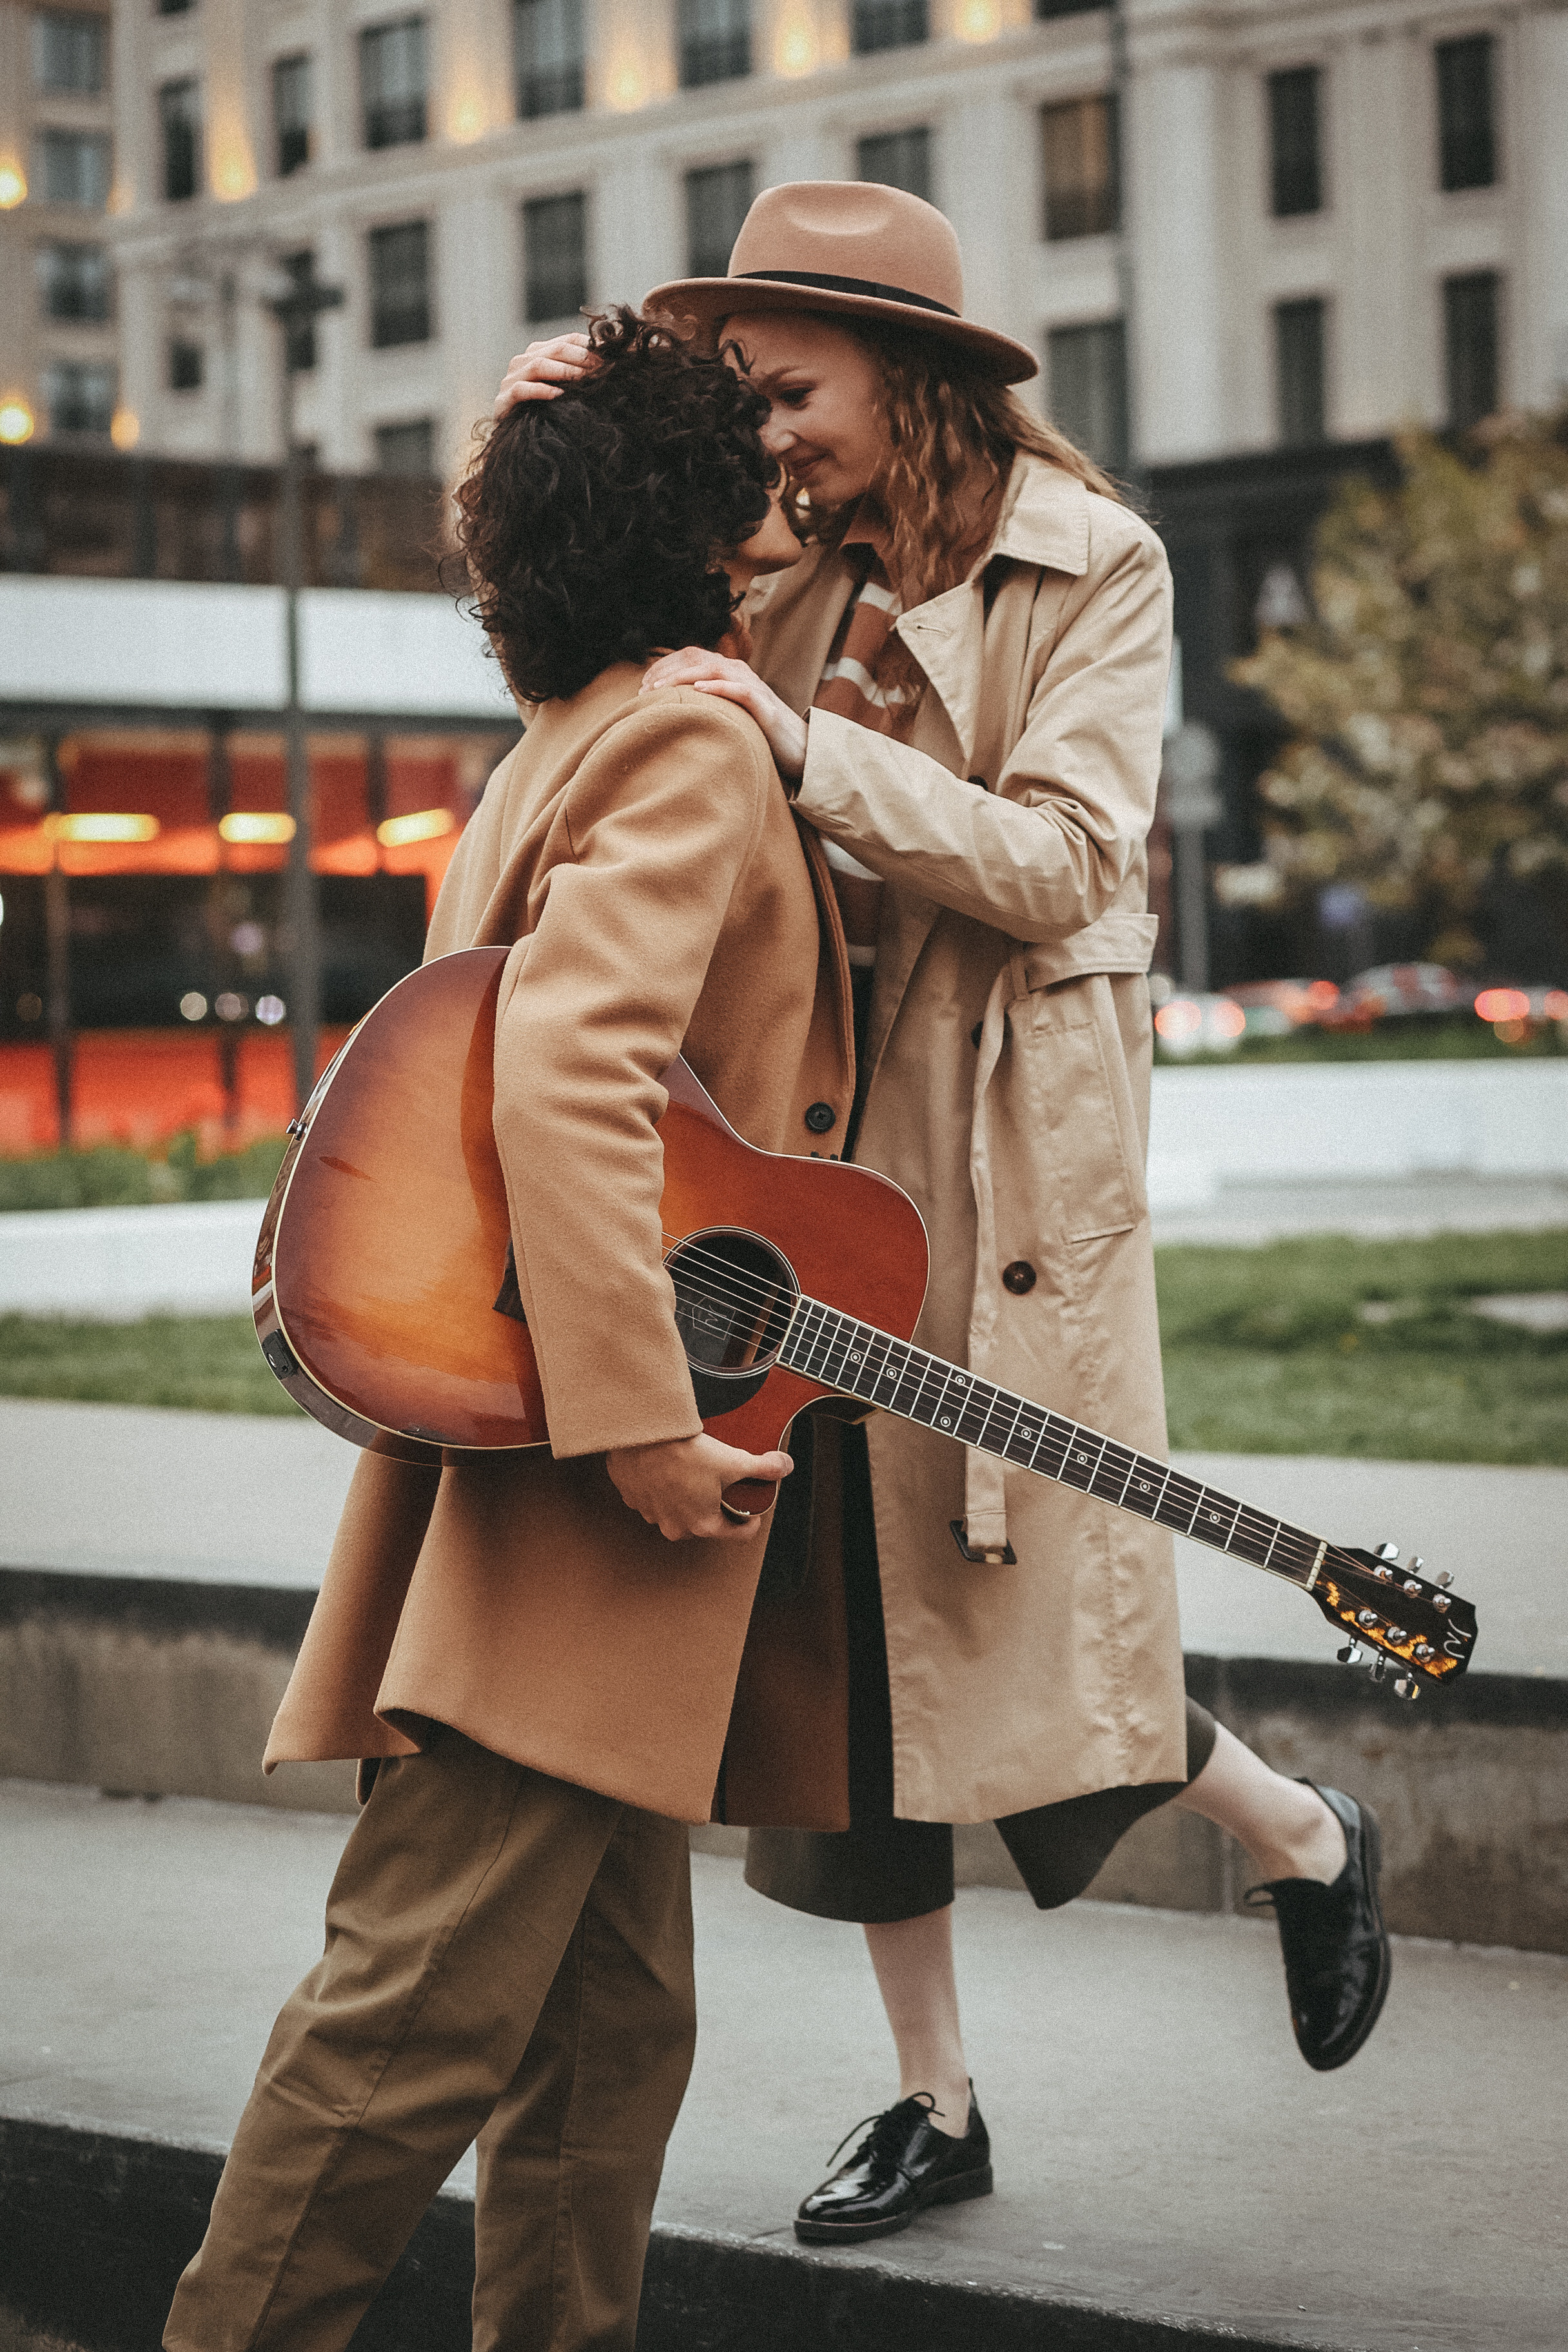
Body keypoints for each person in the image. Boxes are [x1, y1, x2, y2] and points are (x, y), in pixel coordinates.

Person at [494, 182, 1392, 2246]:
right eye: (741, 398)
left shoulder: (1108, 564)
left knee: (1008, 1619)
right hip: (804, 1165)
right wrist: (533, 422)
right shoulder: (769, 552)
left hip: (1005, 1179)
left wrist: (804, 749)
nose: (770, 434)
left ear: (907, 381)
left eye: (788, 390)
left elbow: (1071, 864)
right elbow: (588, 606)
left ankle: (1294, 1837)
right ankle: (941, 2097)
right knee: (845, 1641)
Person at [162, 309, 856, 2352]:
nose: (785, 515)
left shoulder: (564, 725)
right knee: (412, 2020)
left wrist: (563, 415)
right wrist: (642, 1418)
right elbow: (568, 1079)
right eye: (755, 489)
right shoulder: (693, 733)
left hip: (536, 1452)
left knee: (605, 2040)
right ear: (708, 528)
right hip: (593, 1475)